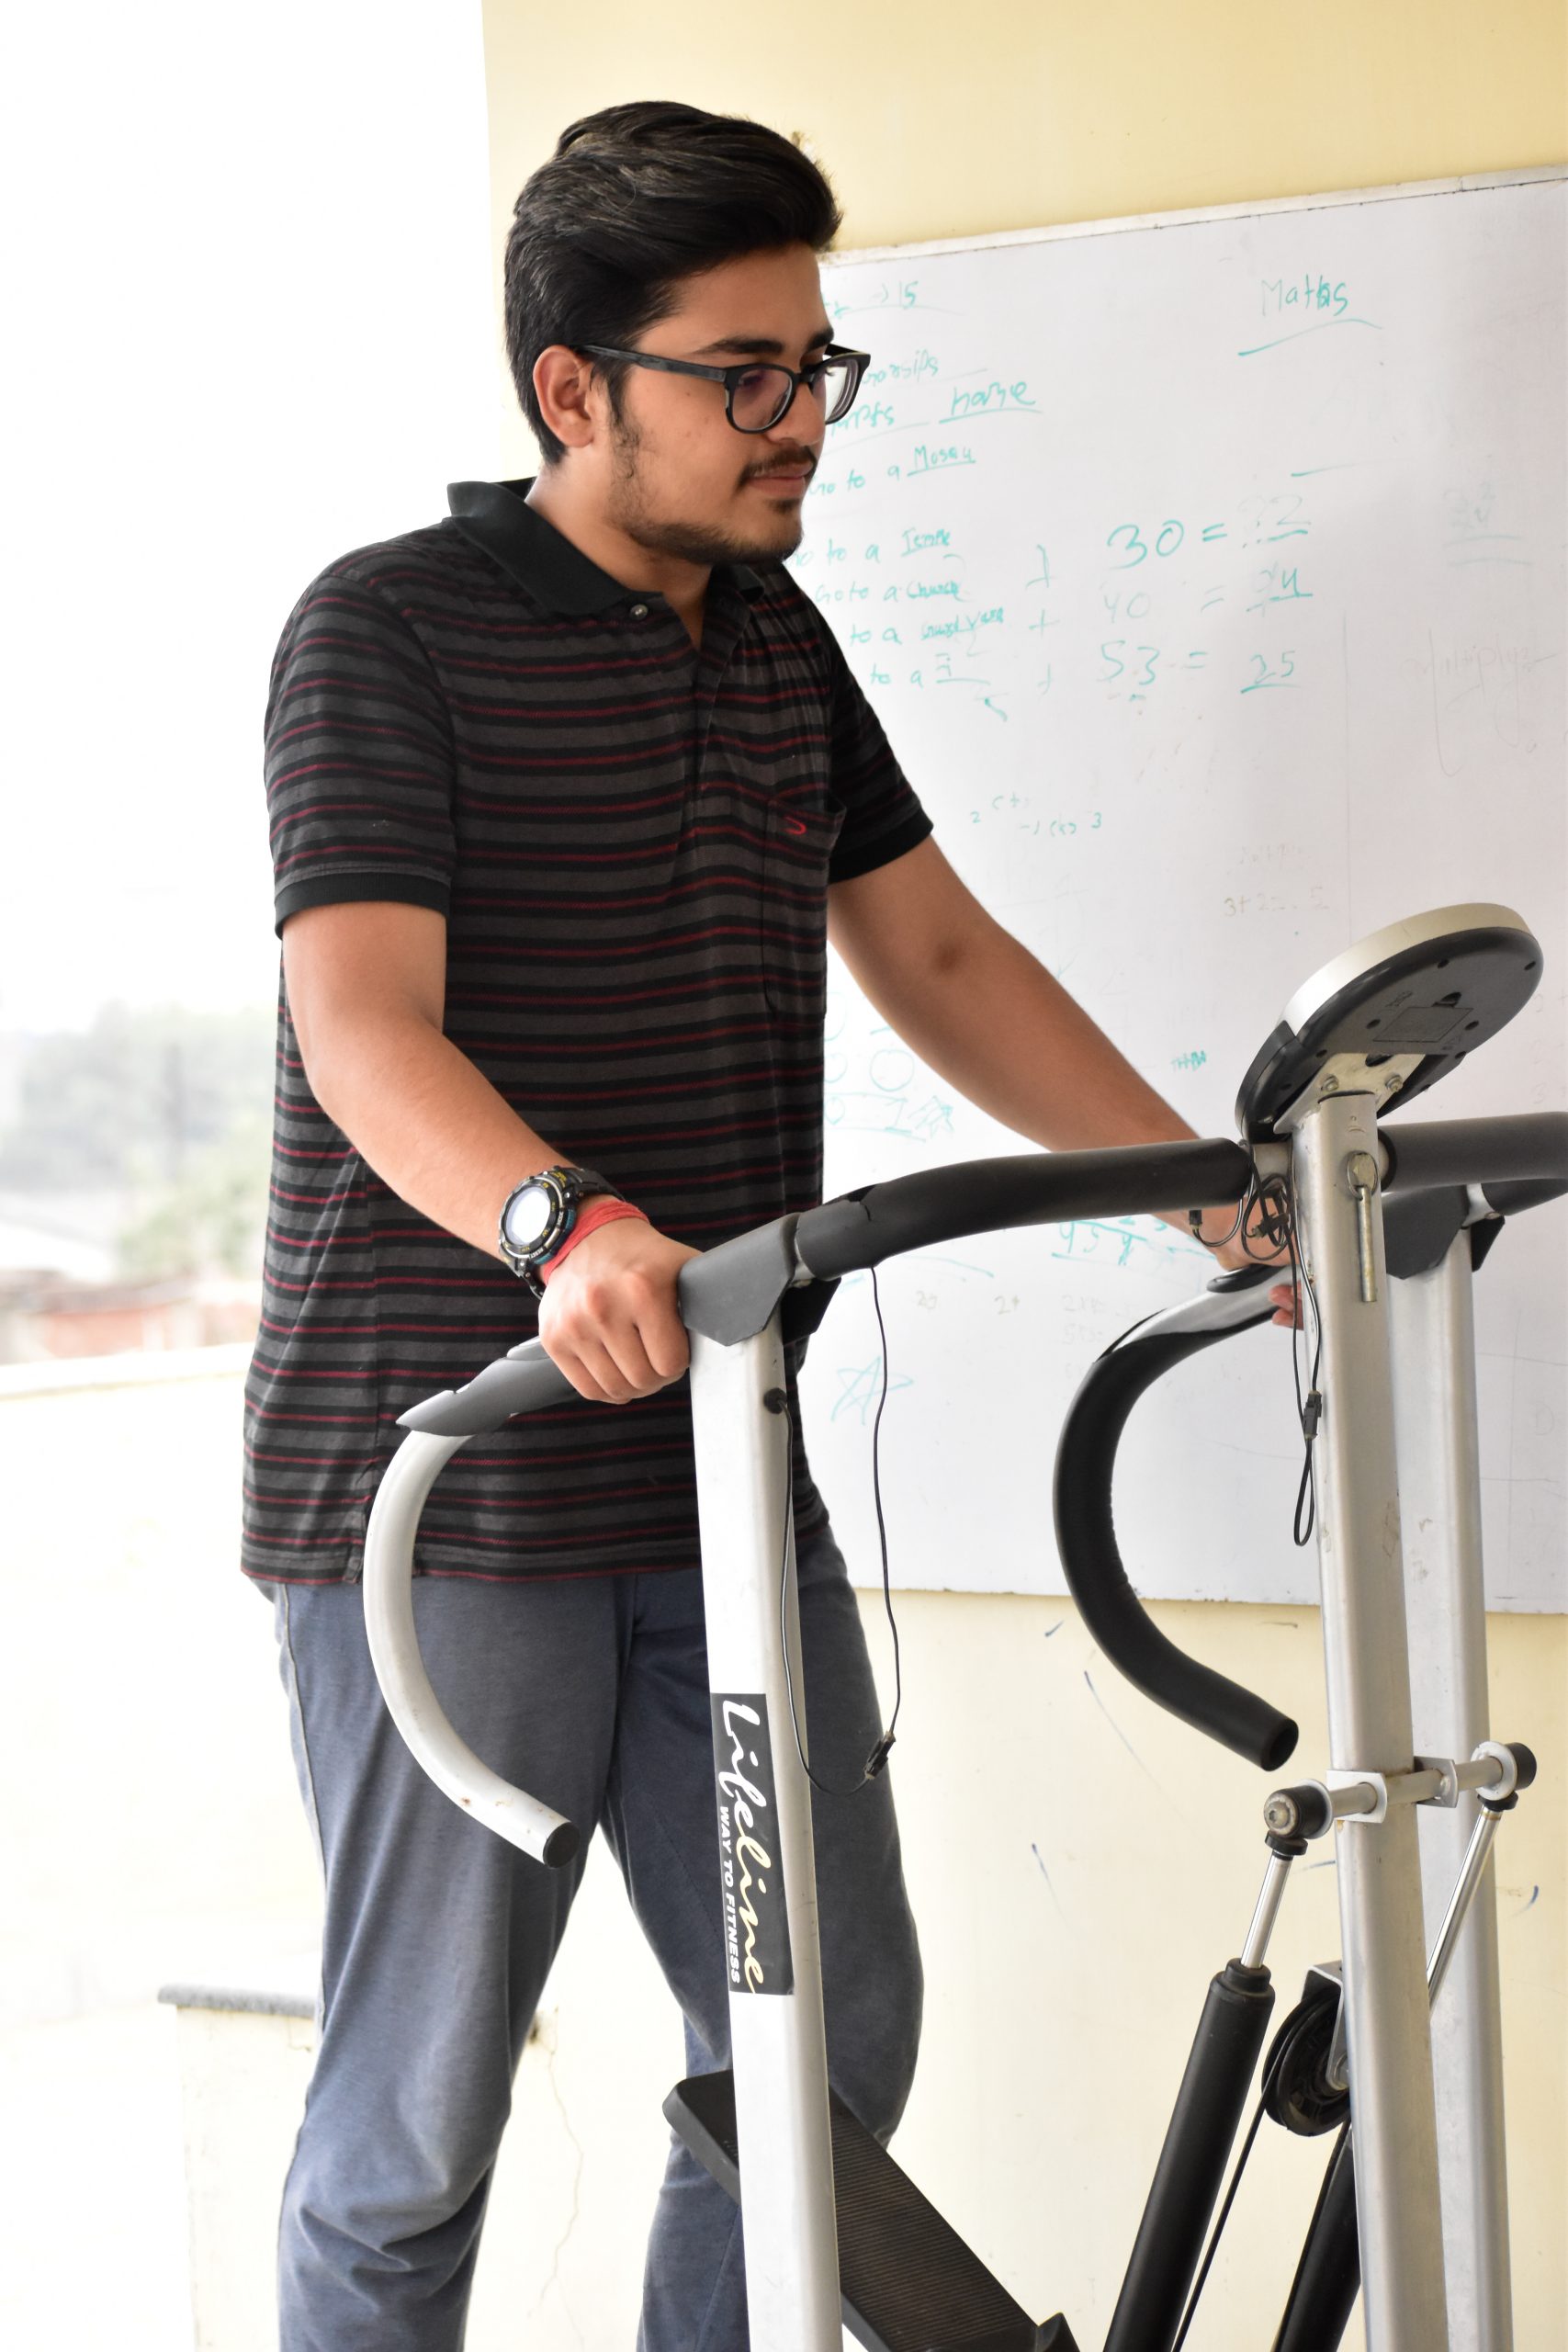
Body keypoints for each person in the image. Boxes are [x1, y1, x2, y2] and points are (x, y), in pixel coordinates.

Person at [247, 97, 1292, 2352]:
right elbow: (358, 1021)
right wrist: (565, 1223)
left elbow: (933, 957)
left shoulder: (773, 639)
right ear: (570, 390)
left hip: (717, 1476)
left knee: (823, 2061)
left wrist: (1201, 1185)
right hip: (447, 1489)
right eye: (743, 371)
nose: (796, 415)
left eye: (816, 363)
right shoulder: (385, 632)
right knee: (414, 2135)